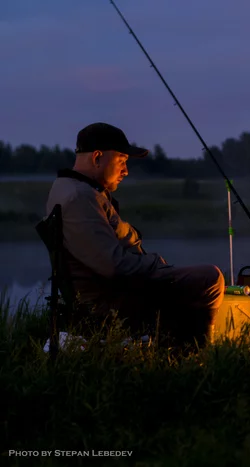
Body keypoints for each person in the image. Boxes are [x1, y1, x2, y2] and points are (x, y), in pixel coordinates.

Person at [45, 122, 225, 346]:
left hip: (112, 293)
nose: (126, 171)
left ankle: (178, 346)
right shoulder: (80, 198)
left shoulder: (73, 188)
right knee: (210, 278)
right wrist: (156, 264)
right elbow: (113, 266)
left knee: (193, 278)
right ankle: (195, 355)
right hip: (110, 302)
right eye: (121, 161)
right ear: (97, 157)